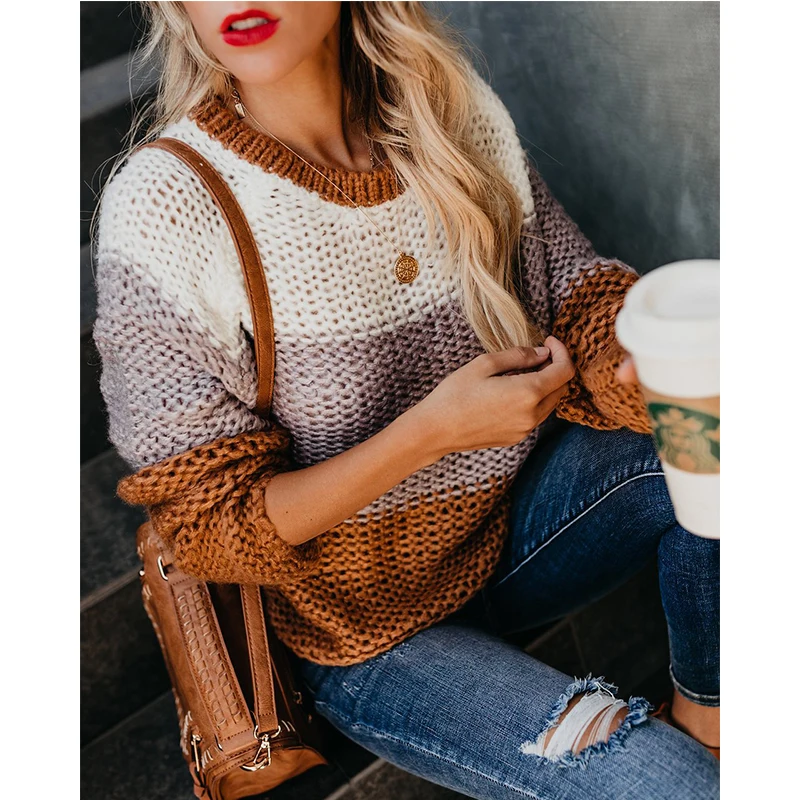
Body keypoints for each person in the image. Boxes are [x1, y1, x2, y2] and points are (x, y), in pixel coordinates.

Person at [92, 2, 720, 798]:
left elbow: (572, 292)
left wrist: (635, 362)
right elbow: (210, 527)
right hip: (364, 635)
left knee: (722, 434)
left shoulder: (446, 114)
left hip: (512, 538)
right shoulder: (167, 207)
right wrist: (431, 433)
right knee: (675, 789)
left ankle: (710, 719)